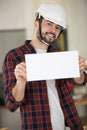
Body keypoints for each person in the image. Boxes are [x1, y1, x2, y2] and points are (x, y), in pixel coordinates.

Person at [2, 2, 87, 130]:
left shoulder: (59, 55)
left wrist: (79, 73)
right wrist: (21, 83)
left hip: (69, 124)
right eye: (49, 24)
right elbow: (11, 105)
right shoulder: (14, 56)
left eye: (58, 27)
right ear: (36, 24)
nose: (53, 30)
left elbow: (80, 81)